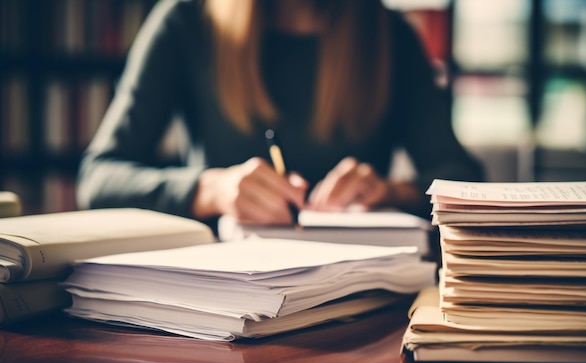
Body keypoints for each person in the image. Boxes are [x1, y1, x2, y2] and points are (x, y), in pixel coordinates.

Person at [76, 0, 483, 230]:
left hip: (362, 303)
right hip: (221, 304)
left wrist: (391, 192)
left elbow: (464, 178)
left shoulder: (391, 37)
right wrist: (210, 190)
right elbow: (99, 178)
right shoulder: (186, 21)